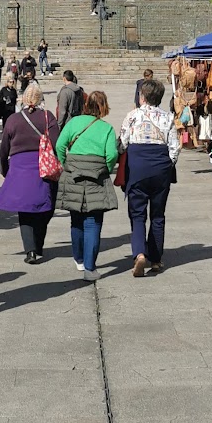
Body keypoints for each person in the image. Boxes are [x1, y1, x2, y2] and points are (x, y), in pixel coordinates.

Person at [0, 81, 60, 263]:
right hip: (43, 168)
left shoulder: (13, 119)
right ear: (41, 99)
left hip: (19, 168)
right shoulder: (47, 117)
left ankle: (31, 251)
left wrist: (5, 170)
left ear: (23, 99)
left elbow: (4, 149)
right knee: (45, 207)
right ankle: (38, 244)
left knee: (25, 211)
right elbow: (56, 143)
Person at [56, 91, 119, 281]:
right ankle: (90, 268)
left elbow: (60, 145)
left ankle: (79, 259)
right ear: (103, 106)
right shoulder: (106, 128)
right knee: (93, 221)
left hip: (73, 172)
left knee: (76, 218)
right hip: (96, 176)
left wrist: (66, 164)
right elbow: (112, 155)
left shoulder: (74, 123)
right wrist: (104, 168)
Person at [120, 79, 180, 276]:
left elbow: (123, 143)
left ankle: (139, 253)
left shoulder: (132, 116)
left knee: (137, 214)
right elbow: (175, 147)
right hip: (160, 168)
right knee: (158, 215)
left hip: (137, 167)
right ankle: (156, 259)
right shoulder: (168, 117)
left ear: (142, 97)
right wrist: (168, 164)